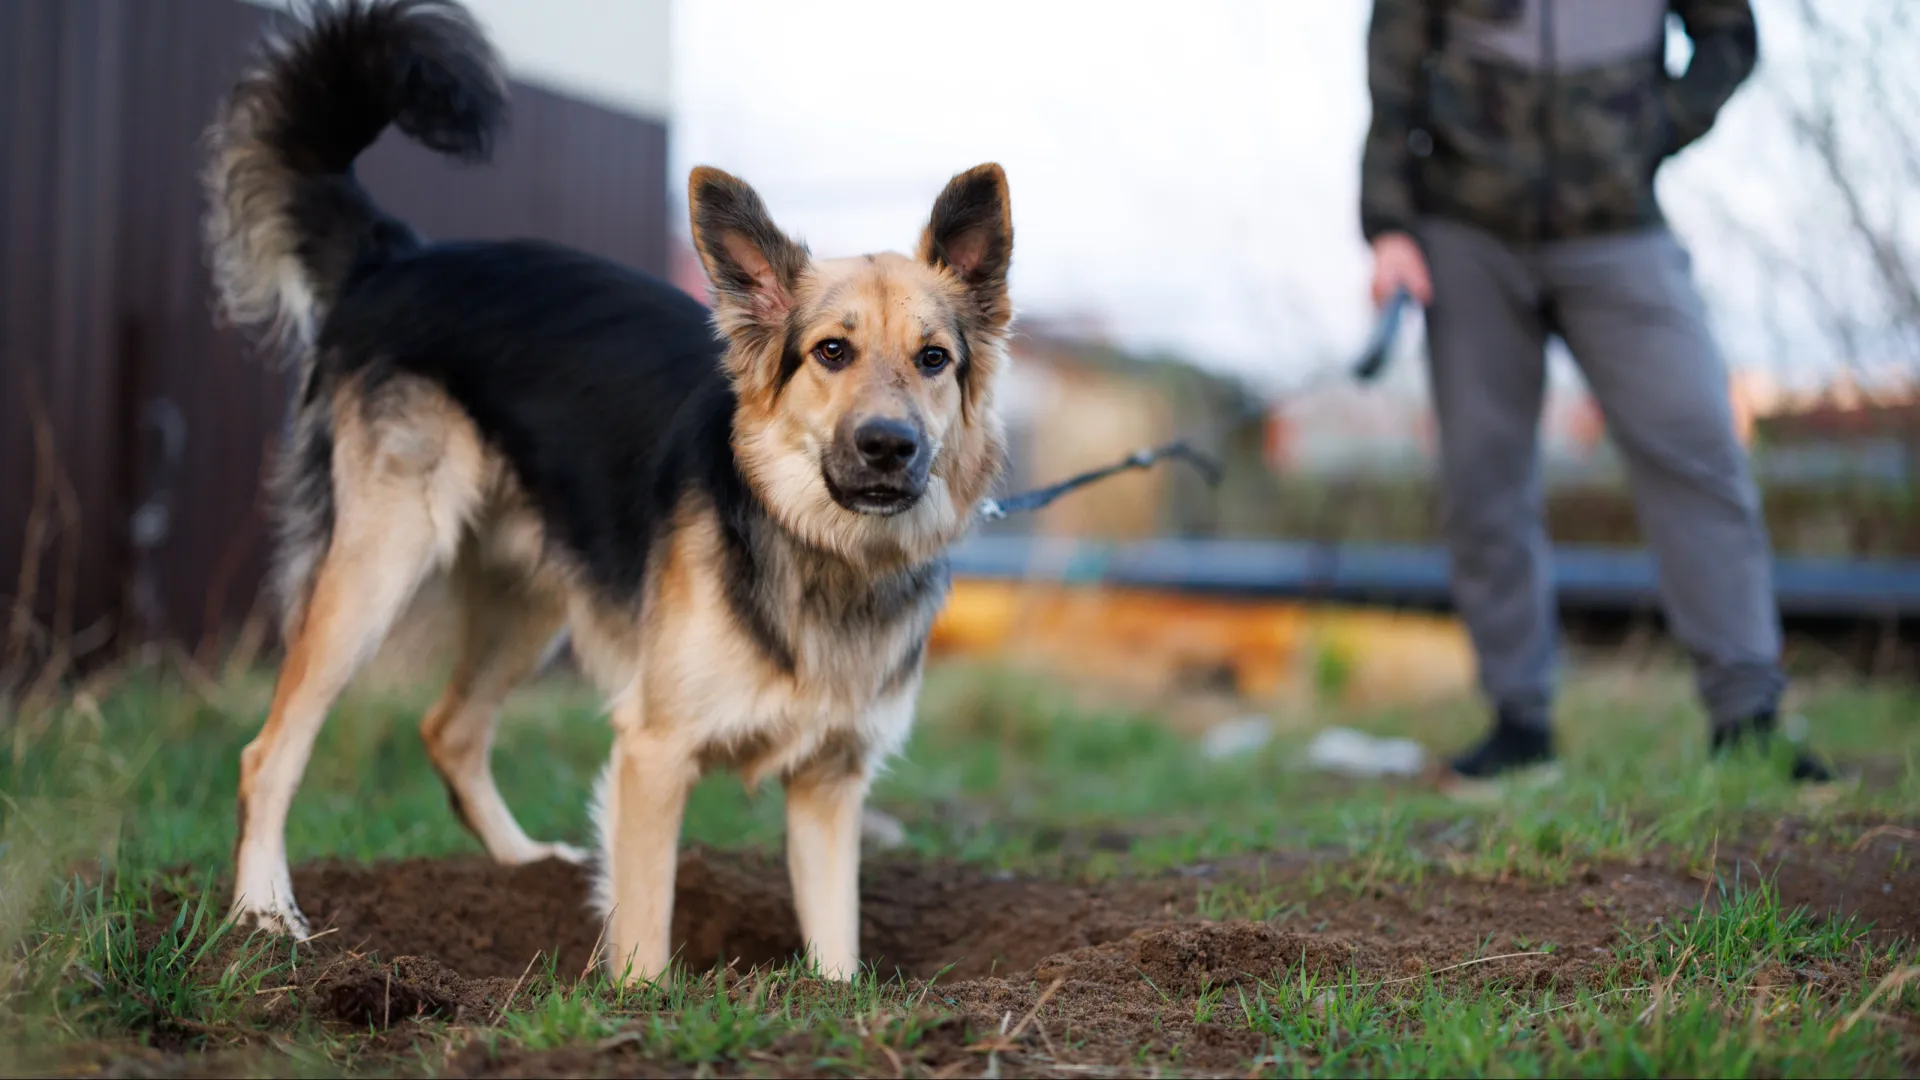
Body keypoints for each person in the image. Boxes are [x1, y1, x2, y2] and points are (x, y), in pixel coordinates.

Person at [1360, 0, 1830, 782]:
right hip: (1466, 227)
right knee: (1484, 476)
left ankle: (1748, 718)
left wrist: (1651, 127)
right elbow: (1392, 66)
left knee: (1697, 445)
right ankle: (1519, 726)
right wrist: (1388, 225)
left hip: (1618, 226)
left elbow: (1729, 35)